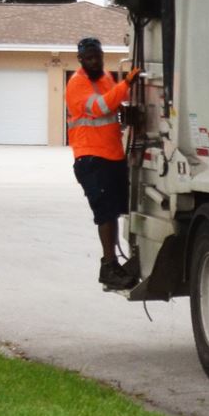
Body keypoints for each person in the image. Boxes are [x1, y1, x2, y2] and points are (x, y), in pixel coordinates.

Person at [66, 37, 137, 288]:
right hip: (91, 159)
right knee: (105, 214)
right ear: (81, 60)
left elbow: (116, 100)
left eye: (97, 56)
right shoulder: (76, 84)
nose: (94, 61)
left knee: (117, 210)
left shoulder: (105, 76)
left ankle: (117, 264)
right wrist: (127, 82)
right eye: (89, 58)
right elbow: (100, 106)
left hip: (112, 156)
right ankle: (108, 268)